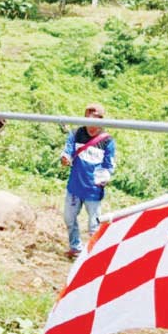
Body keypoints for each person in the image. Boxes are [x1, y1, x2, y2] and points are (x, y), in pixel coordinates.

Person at [60, 103, 116, 258]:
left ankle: (92, 255)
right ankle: (75, 248)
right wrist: (65, 158)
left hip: (93, 190)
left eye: (95, 121)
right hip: (75, 187)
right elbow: (67, 151)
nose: (91, 125)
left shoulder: (107, 141)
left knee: (94, 225)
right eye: (88, 120)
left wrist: (103, 179)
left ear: (101, 121)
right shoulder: (76, 134)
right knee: (69, 218)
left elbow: (109, 165)